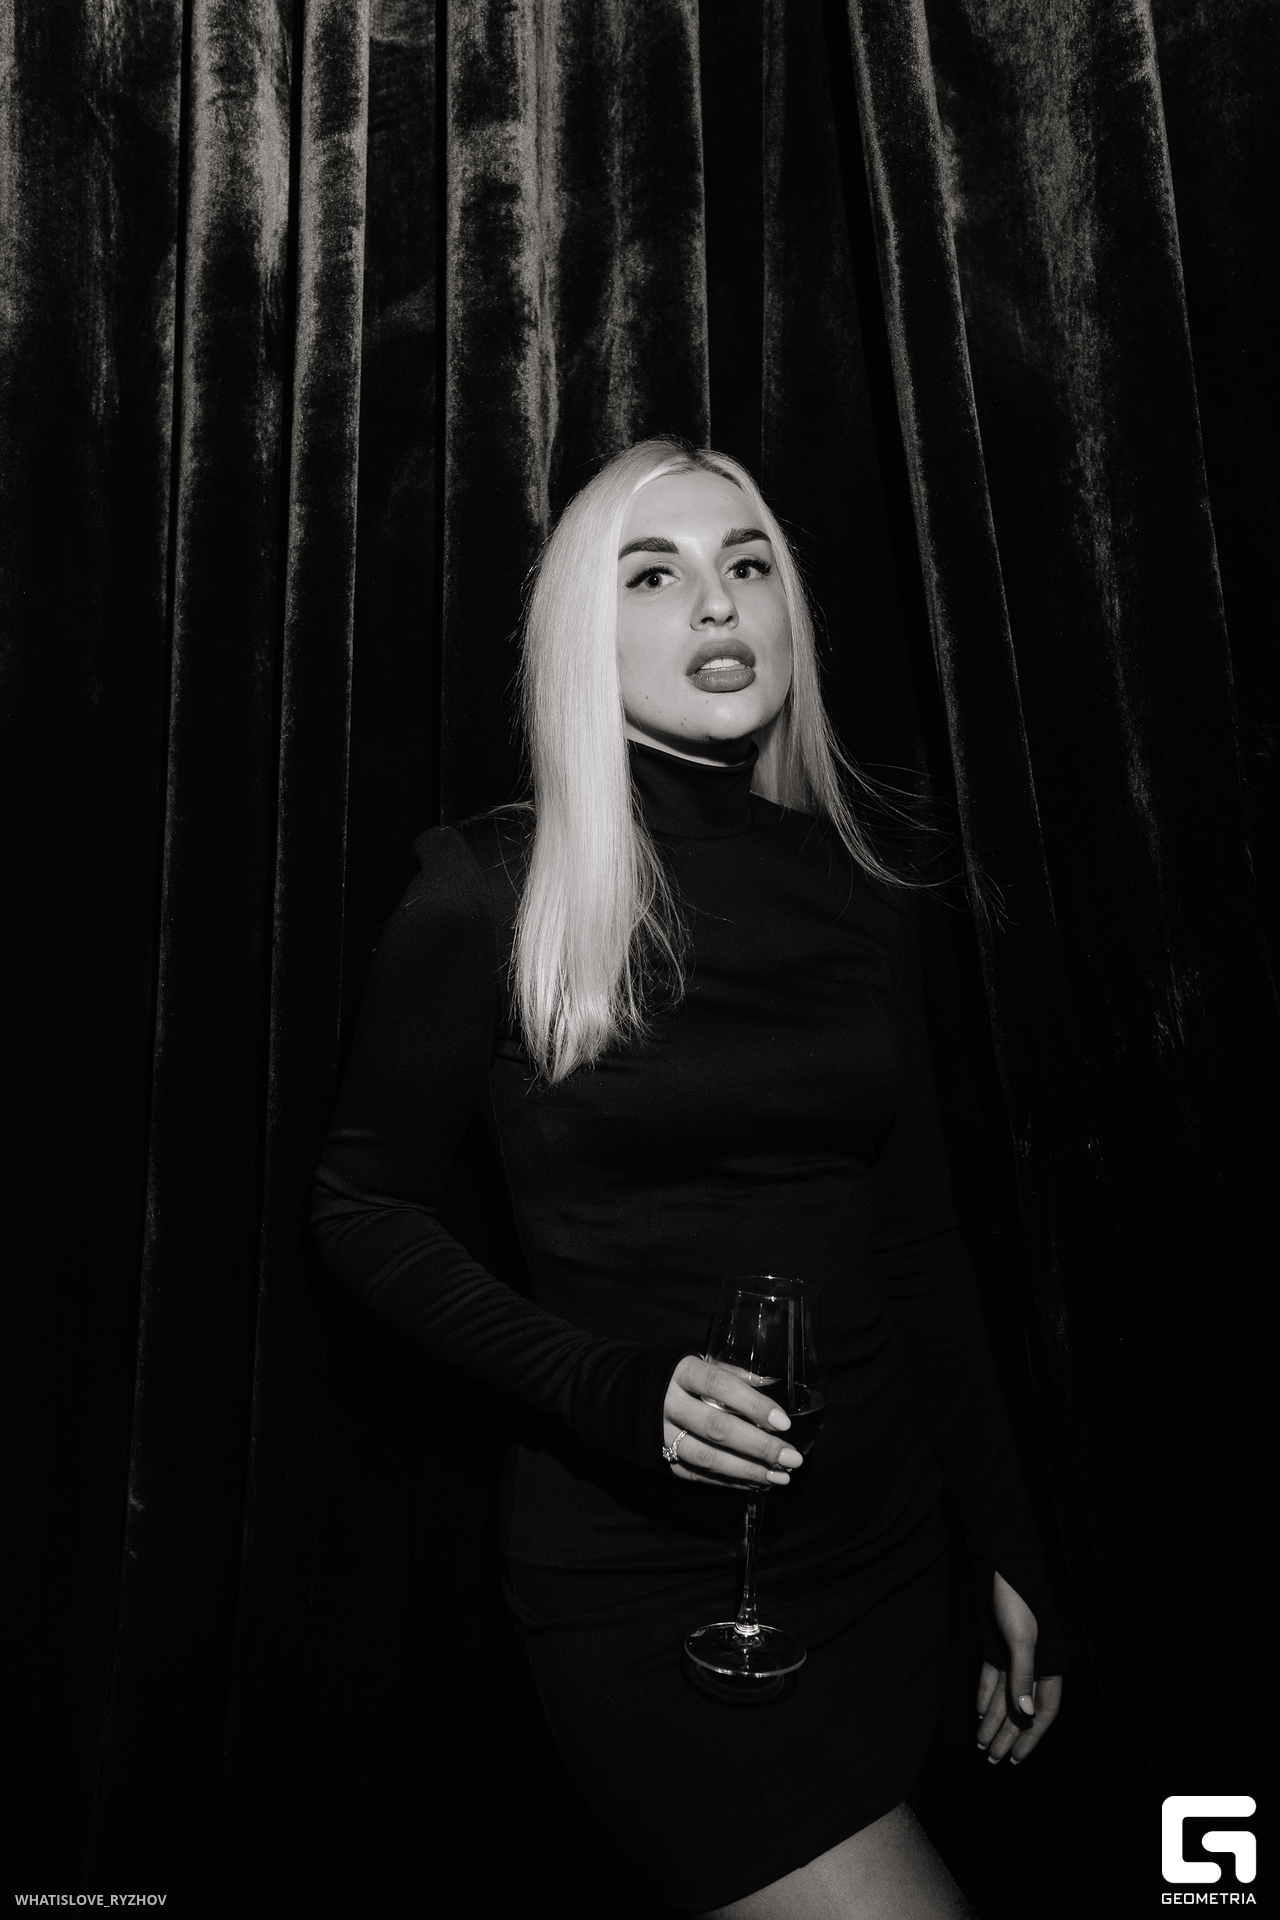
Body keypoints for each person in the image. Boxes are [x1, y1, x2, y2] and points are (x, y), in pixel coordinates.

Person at [312, 440, 1064, 1917]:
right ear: (580, 639)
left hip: (884, 1552)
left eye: (749, 564)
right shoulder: (490, 890)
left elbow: (919, 1242)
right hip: (651, 1583)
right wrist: (608, 1386)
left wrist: (1010, 1539)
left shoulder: (858, 887)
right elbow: (360, 1207)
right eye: (653, 576)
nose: (716, 603)